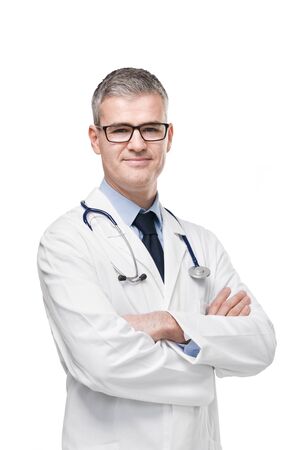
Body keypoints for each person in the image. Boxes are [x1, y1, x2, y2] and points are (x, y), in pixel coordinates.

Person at [37, 67, 276, 450]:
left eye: (151, 128)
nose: (137, 143)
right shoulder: (66, 241)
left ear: (169, 137)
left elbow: (261, 343)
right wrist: (208, 356)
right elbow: (102, 360)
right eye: (120, 130)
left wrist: (167, 323)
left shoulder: (201, 242)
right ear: (95, 139)